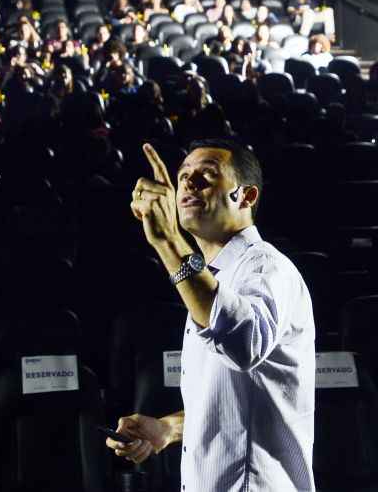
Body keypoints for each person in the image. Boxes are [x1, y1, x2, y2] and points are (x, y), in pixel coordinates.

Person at [109, 139, 315, 491]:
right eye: (183, 176)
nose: (188, 183)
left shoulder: (266, 268)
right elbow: (234, 407)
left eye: (206, 175)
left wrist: (168, 241)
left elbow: (243, 343)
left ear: (246, 197)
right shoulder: (211, 280)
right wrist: (168, 429)